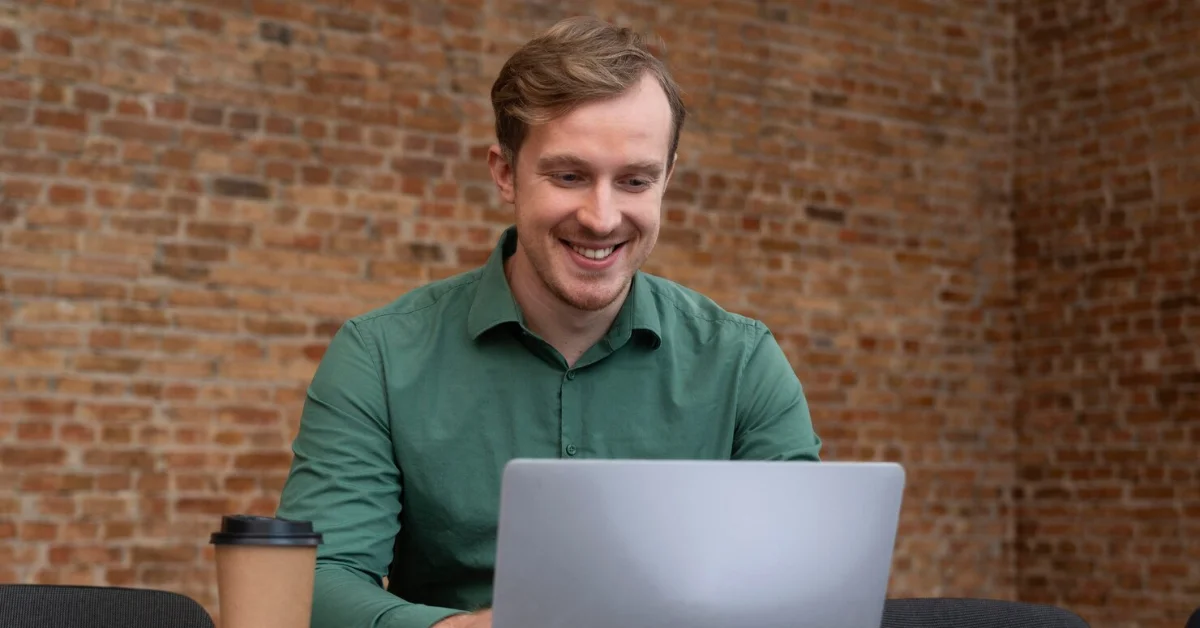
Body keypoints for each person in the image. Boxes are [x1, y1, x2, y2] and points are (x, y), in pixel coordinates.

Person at [275, 15, 822, 628]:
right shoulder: (376, 357)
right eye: (569, 176)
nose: (601, 216)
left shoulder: (744, 365)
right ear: (505, 173)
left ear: (667, 181)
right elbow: (318, 580)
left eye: (635, 181)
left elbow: (801, 583)